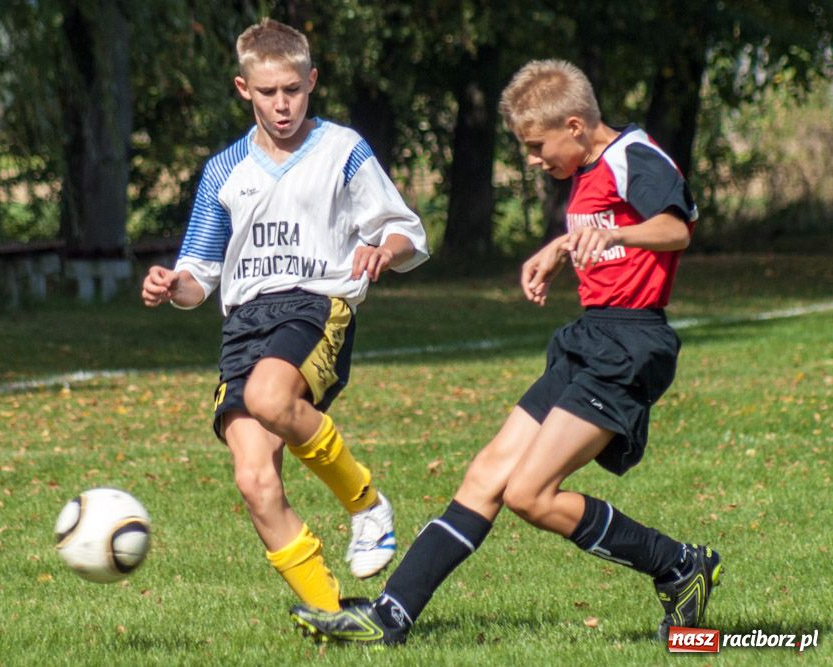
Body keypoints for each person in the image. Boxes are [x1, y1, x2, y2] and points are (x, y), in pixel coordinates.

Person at [290, 58, 720, 644]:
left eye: (538, 147)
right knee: (487, 474)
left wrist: (613, 233)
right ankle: (389, 616)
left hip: (630, 344)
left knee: (530, 495)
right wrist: (561, 248)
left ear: (575, 125)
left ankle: (678, 565)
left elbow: (677, 228)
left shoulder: (633, 156)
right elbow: (600, 229)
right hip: (590, 337)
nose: (534, 160)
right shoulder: (589, 166)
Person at [141, 18, 429, 614]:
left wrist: (385, 250)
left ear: (311, 81)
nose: (282, 105)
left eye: (293, 90)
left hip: (315, 305)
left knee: (270, 399)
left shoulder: (342, 150)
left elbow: (407, 231)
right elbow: (199, 278)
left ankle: (367, 506)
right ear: (243, 88)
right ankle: (336, 615)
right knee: (254, 480)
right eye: (268, 92)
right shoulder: (224, 170)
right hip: (243, 324)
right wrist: (172, 286)